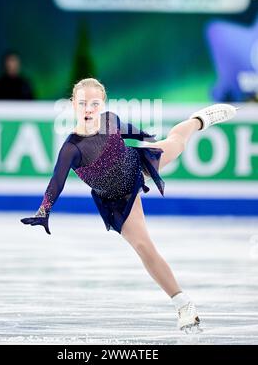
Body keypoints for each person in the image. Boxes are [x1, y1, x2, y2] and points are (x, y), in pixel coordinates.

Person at [20, 77, 238, 333]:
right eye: (82, 103)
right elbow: (56, 182)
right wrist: (44, 210)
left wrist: (143, 135)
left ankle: (199, 120)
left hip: (136, 165)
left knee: (177, 141)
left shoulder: (110, 119)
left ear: (102, 103)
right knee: (144, 246)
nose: (88, 108)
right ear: (73, 104)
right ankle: (183, 304)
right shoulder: (71, 147)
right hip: (117, 198)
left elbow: (125, 128)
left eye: (94, 103)